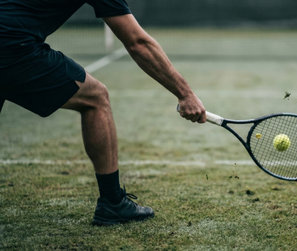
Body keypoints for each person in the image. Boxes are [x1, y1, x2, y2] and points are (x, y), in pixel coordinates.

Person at [0, 0, 206, 226]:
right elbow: (137, 42)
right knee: (95, 98)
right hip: (12, 47)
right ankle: (113, 203)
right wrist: (185, 94)